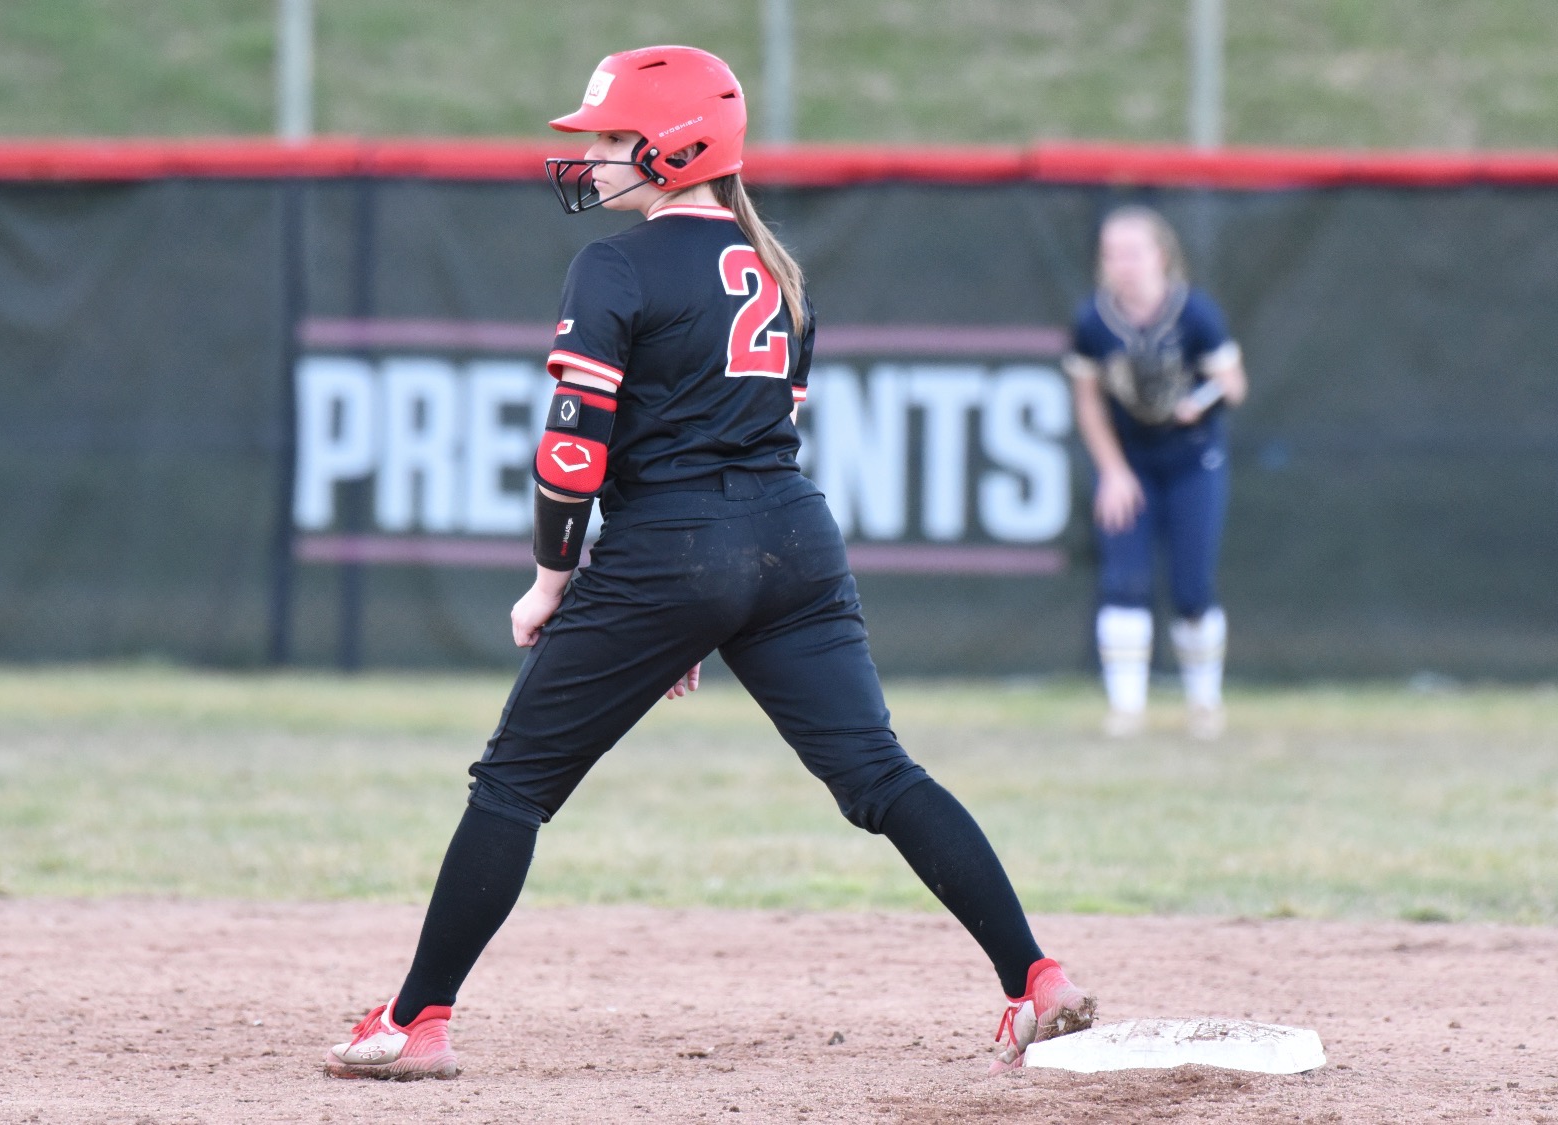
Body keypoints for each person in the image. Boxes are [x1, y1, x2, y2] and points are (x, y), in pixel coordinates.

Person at [323, 45, 1094, 1082]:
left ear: (672, 146)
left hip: (675, 548)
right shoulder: (777, 272)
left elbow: (571, 450)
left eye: (605, 137)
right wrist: (691, 615)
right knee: (877, 774)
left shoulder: (616, 266)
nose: (589, 157)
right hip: (790, 542)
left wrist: (555, 578)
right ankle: (1032, 976)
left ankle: (415, 1021)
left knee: (510, 785)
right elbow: (753, 432)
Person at [1065, 206, 1249, 739]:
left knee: (1192, 588)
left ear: (1160, 256)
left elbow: (1234, 384)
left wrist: (1203, 399)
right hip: (1132, 462)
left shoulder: (1195, 314)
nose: (1121, 264)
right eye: (1112, 254)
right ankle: (1127, 707)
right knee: (1123, 579)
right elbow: (1089, 403)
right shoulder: (1094, 322)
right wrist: (1113, 471)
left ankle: (1204, 702)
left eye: (1133, 252)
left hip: (1192, 459)